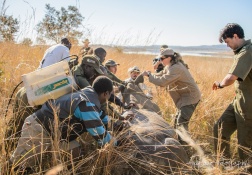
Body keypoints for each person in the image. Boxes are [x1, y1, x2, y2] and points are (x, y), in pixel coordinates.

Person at [9, 76, 115, 172]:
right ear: (105, 93)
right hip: (38, 127)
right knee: (20, 166)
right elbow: (99, 134)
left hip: (56, 132)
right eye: (110, 94)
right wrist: (116, 142)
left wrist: (115, 124)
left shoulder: (88, 93)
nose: (109, 98)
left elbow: (100, 116)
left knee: (75, 153)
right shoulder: (88, 104)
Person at [142, 48, 201, 152]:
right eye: (159, 58)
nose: (160, 61)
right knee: (177, 122)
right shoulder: (170, 66)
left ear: (169, 58)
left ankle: (186, 150)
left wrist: (149, 76)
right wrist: (150, 74)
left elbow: (162, 81)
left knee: (181, 124)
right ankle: (180, 146)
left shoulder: (176, 68)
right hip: (184, 98)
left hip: (190, 98)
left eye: (162, 58)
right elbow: (161, 75)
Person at [213, 23, 252, 161]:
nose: (227, 45)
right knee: (219, 128)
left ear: (235, 36)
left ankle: (246, 170)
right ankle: (224, 163)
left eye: (227, 41)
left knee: (245, 145)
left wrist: (220, 84)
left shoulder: (248, 51)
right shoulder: (241, 51)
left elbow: (231, 77)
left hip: (248, 107)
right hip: (238, 102)